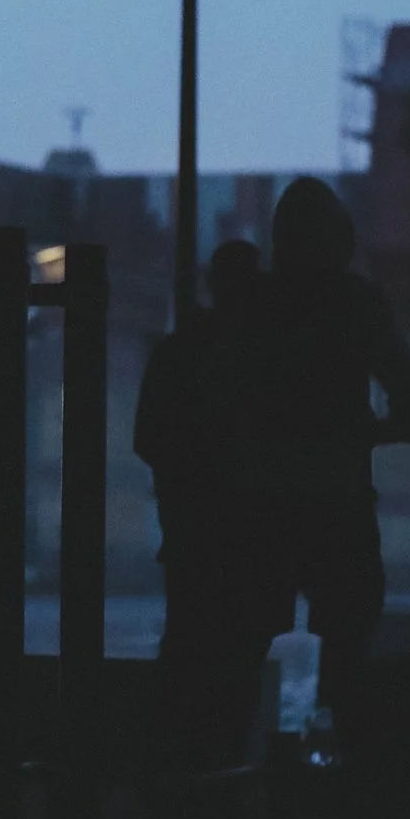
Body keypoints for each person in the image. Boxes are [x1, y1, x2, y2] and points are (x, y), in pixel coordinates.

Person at [222, 179, 410, 760]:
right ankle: (343, 768)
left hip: (260, 502)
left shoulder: (254, 306)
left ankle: (231, 773)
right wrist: (363, 432)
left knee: (240, 651)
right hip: (337, 498)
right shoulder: (357, 304)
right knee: (349, 648)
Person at [134, 239, 267, 773]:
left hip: (190, 529)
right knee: (242, 654)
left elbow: (147, 438)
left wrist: (185, 479)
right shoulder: (264, 357)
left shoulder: (177, 351)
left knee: (187, 648)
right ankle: (230, 767)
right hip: (251, 533)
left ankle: (180, 769)